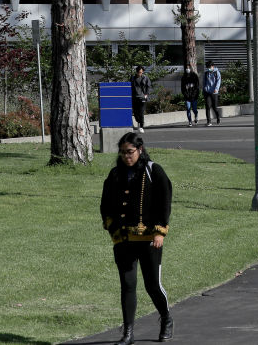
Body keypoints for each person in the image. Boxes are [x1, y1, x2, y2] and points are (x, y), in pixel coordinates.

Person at [100, 132, 173, 344]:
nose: (126, 157)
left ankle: (166, 318)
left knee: (153, 286)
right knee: (127, 284)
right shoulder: (115, 175)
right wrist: (113, 230)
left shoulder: (154, 171)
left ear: (140, 150)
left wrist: (160, 231)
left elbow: (164, 202)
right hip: (124, 241)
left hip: (150, 240)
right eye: (122, 153)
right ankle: (128, 333)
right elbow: (105, 206)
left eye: (130, 152)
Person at [130, 66, 151, 133]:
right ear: (136, 72)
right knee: (136, 113)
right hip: (134, 98)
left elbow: (148, 86)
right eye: (139, 72)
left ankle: (141, 126)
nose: (140, 74)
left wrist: (146, 94)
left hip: (142, 97)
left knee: (141, 113)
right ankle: (138, 121)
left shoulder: (145, 78)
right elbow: (130, 87)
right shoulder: (132, 78)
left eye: (141, 72)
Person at [202, 59, 222, 126]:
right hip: (207, 92)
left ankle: (218, 117)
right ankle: (209, 122)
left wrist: (216, 89)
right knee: (207, 106)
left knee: (214, 107)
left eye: (209, 67)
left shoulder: (217, 72)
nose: (208, 68)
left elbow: (218, 81)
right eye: (207, 67)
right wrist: (204, 89)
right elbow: (204, 82)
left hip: (214, 92)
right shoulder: (206, 73)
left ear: (213, 66)